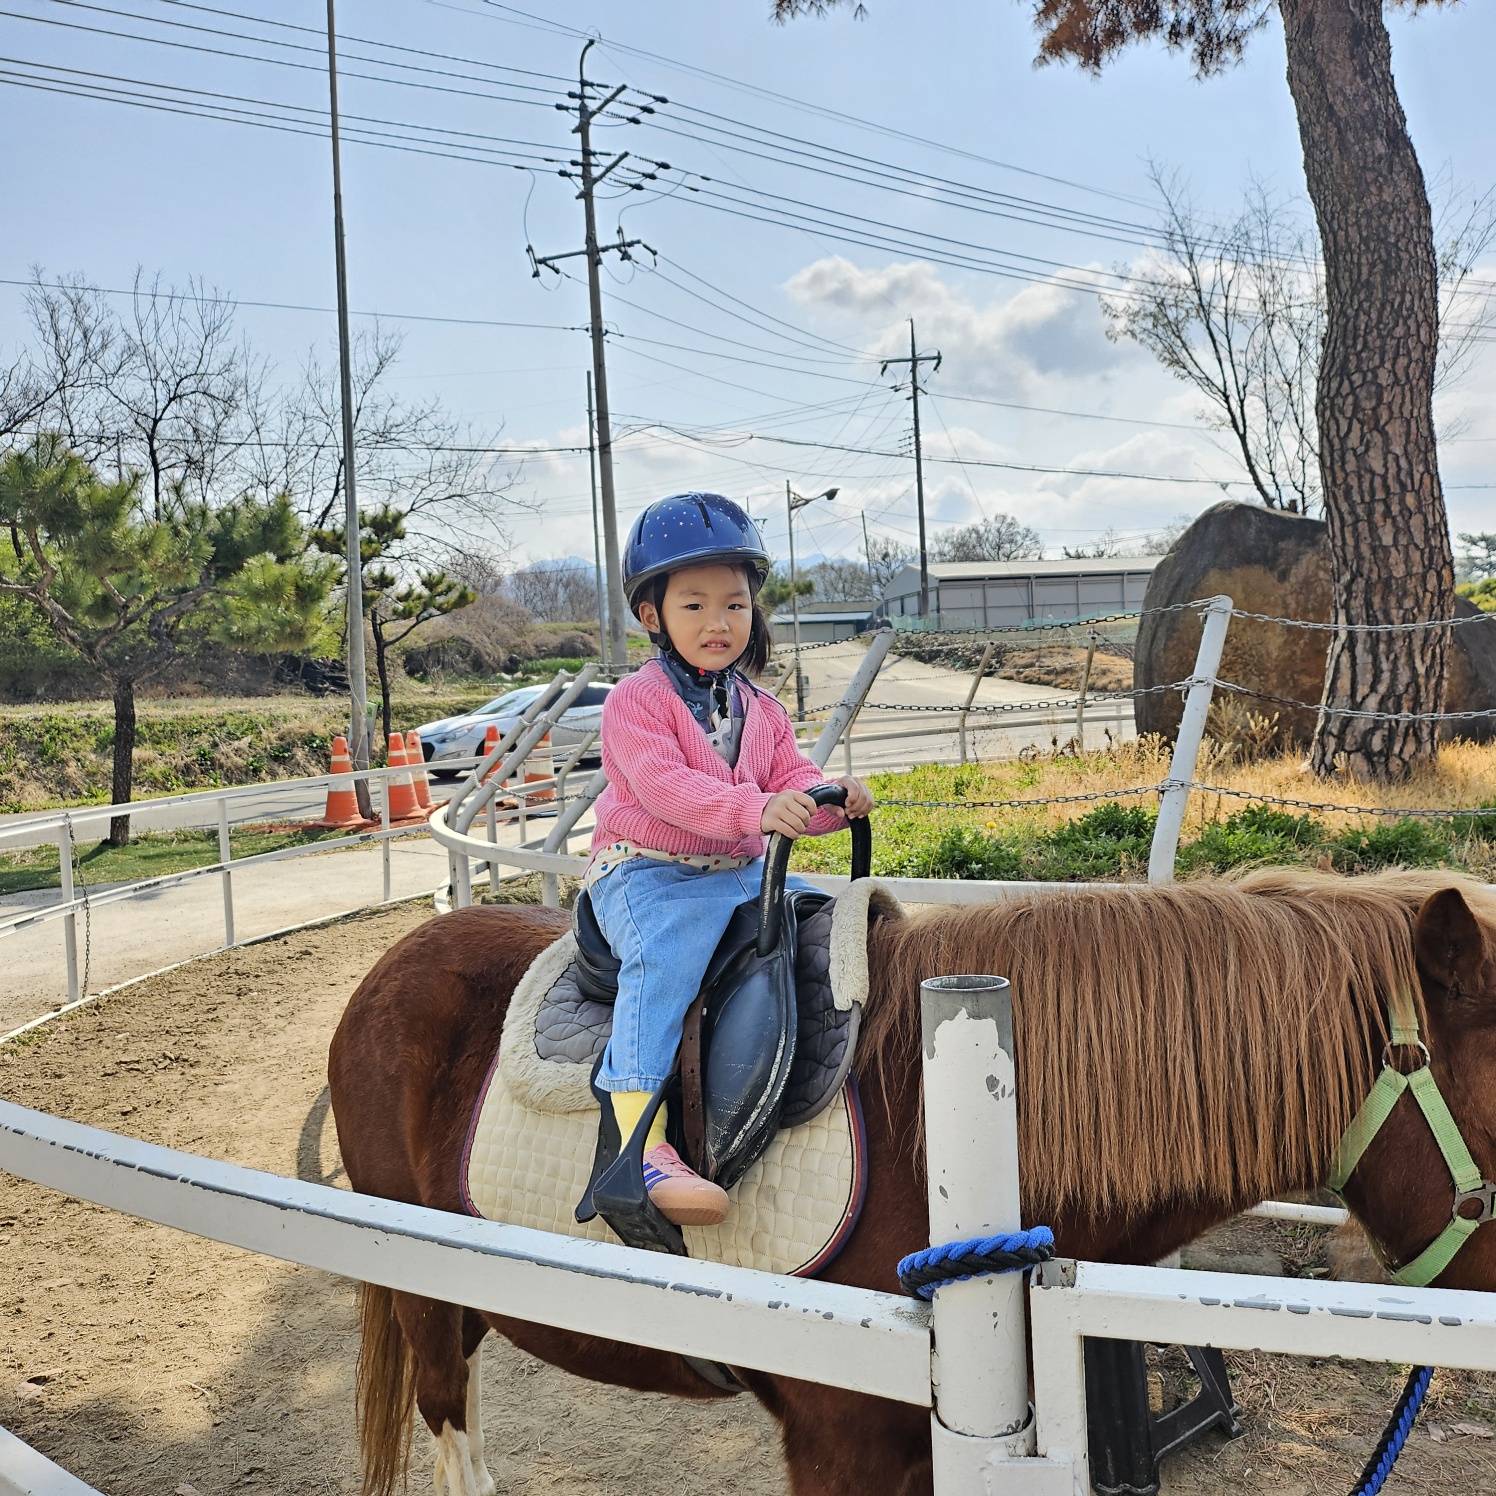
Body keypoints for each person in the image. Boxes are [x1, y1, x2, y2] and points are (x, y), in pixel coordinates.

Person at [585, 491, 873, 1227]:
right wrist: (755, 811)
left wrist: (832, 799)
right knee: (667, 958)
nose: (718, 623)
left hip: (739, 871)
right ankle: (634, 1146)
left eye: (735, 605)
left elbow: (792, 781)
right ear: (652, 616)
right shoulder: (634, 702)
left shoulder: (761, 709)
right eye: (694, 605)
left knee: (832, 922)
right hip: (648, 869)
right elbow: (664, 788)